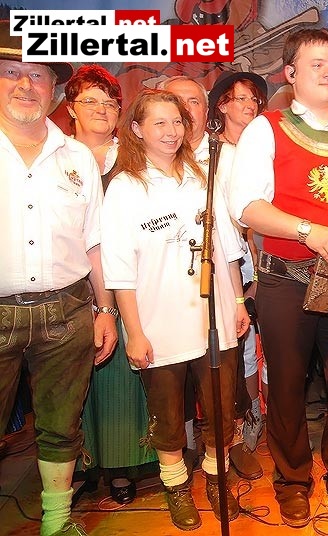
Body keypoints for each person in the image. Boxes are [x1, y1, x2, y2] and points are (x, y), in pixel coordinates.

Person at [227, 29, 328, 527]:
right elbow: (246, 206)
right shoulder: (267, 129)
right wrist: (306, 230)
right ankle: (293, 479)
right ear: (290, 74)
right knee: (287, 385)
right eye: (315, 63)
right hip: (286, 280)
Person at [102, 89, 249, 530]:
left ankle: (216, 479)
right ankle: (176, 486)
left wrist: (237, 300)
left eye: (178, 122)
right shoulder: (125, 188)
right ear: (136, 129)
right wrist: (134, 332)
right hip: (158, 322)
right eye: (160, 123)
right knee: (167, 416)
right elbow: (119, 269)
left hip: (214, 318)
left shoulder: (203, 177)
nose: (171, 131)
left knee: (221, 410)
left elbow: (227, 246)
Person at [0, 25, 117, 536]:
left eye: (38, 75)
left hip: (68, 312)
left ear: (54, 90)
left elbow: (94, 242)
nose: (25, 85)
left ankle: (57, 521)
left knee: (61, 424)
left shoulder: (77, 159)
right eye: (11, 72)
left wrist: (105, 309)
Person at [65, 64, 158, 506]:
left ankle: (122, 465)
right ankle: (78, 465)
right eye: (91, 101)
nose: (102, 109)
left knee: (120, 371)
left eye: (110, 103)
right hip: (68, 281)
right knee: (71, 377)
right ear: (70, 108)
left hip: (127, 279)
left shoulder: (133, 156)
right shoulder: (56, 156)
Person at [207, 71, 270, 478]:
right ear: (222, 105)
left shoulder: (262, 148)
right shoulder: (210, 152)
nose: (249, 105)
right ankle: (236, 430)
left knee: (261, 347)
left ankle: (262, 421)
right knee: (232, 346)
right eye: (240, 98)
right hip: (223, 263)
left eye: (254, 100)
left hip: (262, 260)